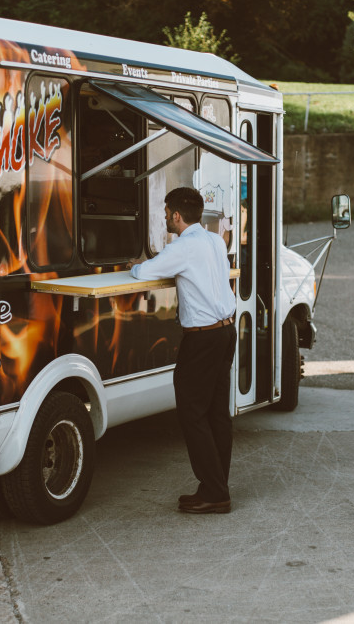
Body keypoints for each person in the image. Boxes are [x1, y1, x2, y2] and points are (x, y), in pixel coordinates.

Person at [130, 187, 237, 514]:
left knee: (192, 412)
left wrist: (136, 264)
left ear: (177, 216)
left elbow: (144, 271)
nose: (164, 217)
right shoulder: (215, 240)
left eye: (166, 213)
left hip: (202, 339)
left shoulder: (184, 246)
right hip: (226, 332)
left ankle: (215, 492)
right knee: (217, 412)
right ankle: (217, 486)